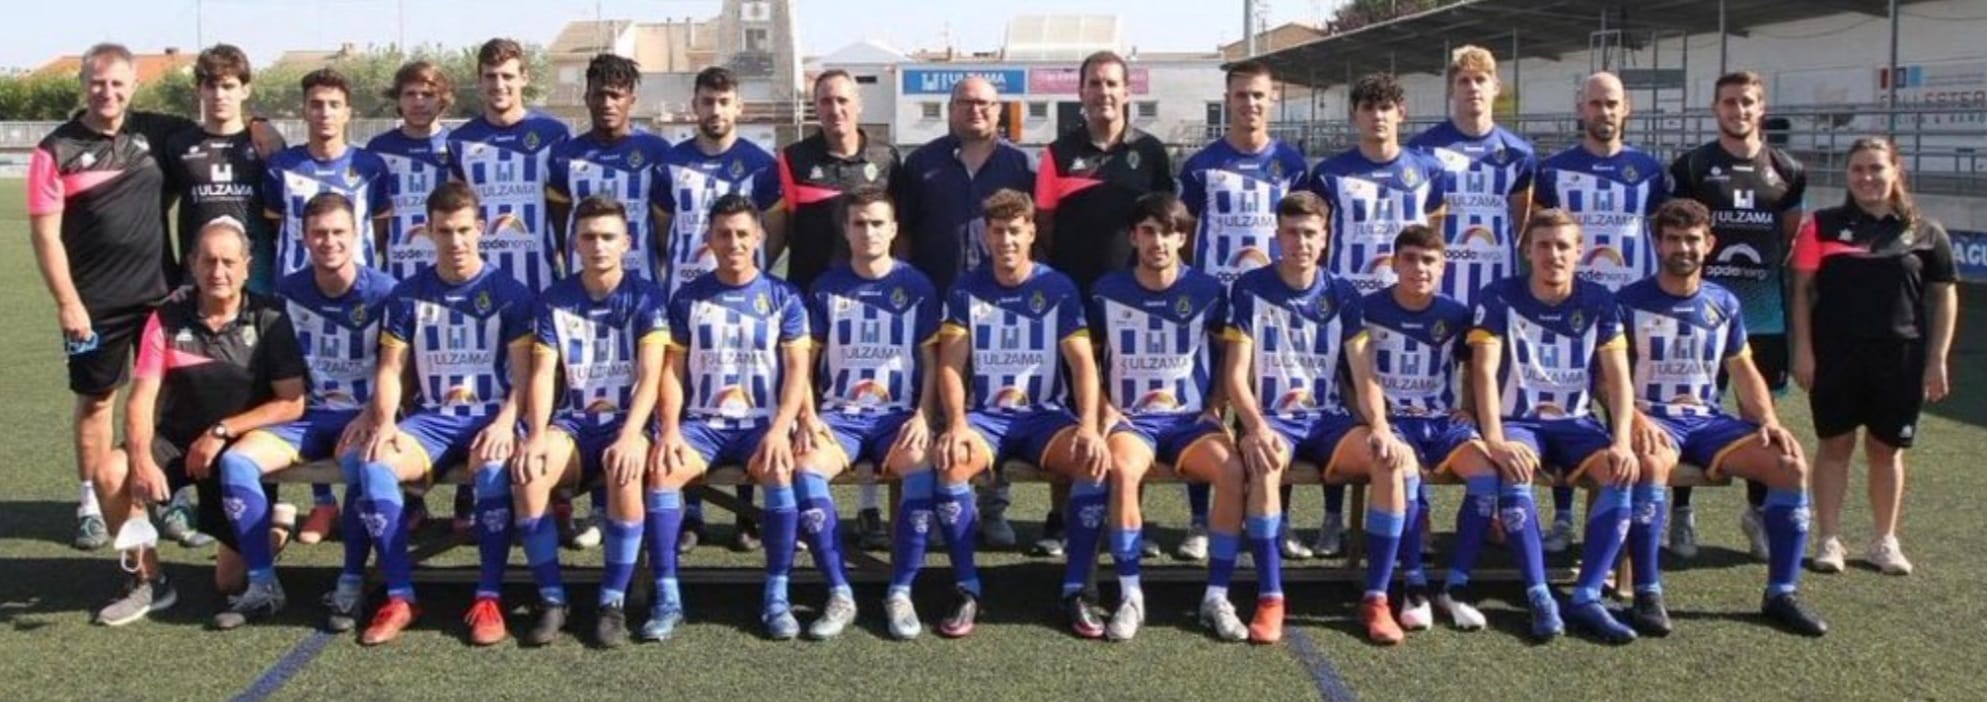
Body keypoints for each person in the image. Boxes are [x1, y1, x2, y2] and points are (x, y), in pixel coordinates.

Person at [1618, 198, 1828, 636]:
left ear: (1709, 244)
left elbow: (1742, 368)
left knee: (1789, 465)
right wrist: (1633, 417)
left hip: (1708, 422)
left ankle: (1781, 593)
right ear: (1657, 243)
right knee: (1652, 465)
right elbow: (1607, 377)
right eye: (1673, 239)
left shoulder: (1724, 303)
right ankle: (1647, 593)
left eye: (1692, 239)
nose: (1683, 248)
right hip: (1653, 418)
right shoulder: (1629, 301)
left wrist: (1769, 421)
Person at [30, 43, 211, 551]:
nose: (107, 93)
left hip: (161, 297)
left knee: (168, 400)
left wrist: (259, 122)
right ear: (83, 84)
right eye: (97, 82)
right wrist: (68, 303)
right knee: (97, 399)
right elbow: (45, 236)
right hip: (92, 305)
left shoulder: (157, 133)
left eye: (117, 84)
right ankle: (90, 500)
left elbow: (221, 120)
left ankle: (169, 496)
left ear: (133, 86)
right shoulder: (56, 149)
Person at [339, 181, 535, 646]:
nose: (456, 242)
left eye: (465, 230)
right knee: (375, 465)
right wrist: (385, 422)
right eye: (445, 231)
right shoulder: (407, 295)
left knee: (492, 470)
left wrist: (507, 423)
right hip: (431, 419)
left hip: (490, 416)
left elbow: (526, 378)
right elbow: (391, 369)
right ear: (428, 232)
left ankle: (488, 597)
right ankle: (401, 595)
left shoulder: (510, 293)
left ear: (481, 229)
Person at [88, 217, 307, 627]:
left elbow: (291, 403)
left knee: (228, 583)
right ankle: (147, 581)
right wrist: (141, 459)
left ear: (247, 265)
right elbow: (140, 400)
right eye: (208, 261)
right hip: (175, 441)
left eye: (228, 261)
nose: (218, 272)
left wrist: (221, 430)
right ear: (192, 263)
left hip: (237, 453)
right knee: (110, 471)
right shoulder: (167, 317)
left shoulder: (270, 319)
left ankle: (275, 530)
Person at [1224, 191, 1410, 645]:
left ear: (1325, 238)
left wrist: (1380, 427)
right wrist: (1256, 427)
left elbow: (1364, 376)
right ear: (1276, 235)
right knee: (1266, 463)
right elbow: (1234, 377)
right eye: (1291, 232)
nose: (1300, 242)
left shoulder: (1342, 293)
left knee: (1389, 460)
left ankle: (1377, 598)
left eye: (1310, 233)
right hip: (1274, 420)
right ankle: (1271, 598)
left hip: (1327, 420)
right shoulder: (1250, 288)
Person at [209, 193, 395, 631]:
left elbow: (403, 370)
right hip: (302, 417)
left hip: (361, 417)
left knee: (365, 466)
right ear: (304, 238)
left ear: (356, 235)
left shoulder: (386, 293)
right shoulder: (285, 293)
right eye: (319, 233)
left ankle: (350, 583)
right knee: (237, 462)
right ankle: (262, 585)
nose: (329, 241)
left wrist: (376, 413)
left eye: (338, 232)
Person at [930, 189, 1106, 639]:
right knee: (950, 462)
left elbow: (1084, 364)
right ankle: (967, 588)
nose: (1006, 240)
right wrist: (957, 424)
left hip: (1044, 416)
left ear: (1031, 231)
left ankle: (1076, 591)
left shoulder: (1057, 287)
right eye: (997, 231)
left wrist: (1088, 424)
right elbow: (950, 364)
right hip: (986, 416)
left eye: (1014, 230)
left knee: (1091, 461)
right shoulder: (967, 288)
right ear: (985, 235)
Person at [1467, 208, 1637, 643]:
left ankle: (1586, 595)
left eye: (1564, 246)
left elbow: (1617, 379)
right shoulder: (1499, 295)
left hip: (1577, 423)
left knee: (1619, 474)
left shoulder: (1599, 300)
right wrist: (1495, 439)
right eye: (1544, 245)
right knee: (1516, 469)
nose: (1553, 254)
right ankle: (1539, 592)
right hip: (1519, 421)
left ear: (1579, 252)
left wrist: (1621, 441)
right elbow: (1482, 373)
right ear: (1527, 250)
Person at [649, 194, 814, 641]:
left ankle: (776, 596)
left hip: (762, 423)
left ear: (759, 236)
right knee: (662, 473)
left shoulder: (783, 297)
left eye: (743, 233)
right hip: (704, 425)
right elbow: (672, 373)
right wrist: (668, 430)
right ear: (708, 240)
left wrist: (782, 428)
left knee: (780, 470)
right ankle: (667, 598)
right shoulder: (688, 298)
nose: (734, 242)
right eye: (724, 234)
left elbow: (798, 372)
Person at [1791, 137, 1956, 577]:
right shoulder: (1821, 225)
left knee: (1887, 450)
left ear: (1896, 171)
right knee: (1835, 444)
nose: (1867, 178)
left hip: (1900, 358)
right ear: (1847, 177)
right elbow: (1803, 293)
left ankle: (1884, 541)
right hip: (1836, 356)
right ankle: (1828, 539)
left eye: (1876, 168)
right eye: (1857, 170)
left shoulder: (1926, 231)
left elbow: (1944, 297)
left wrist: (1937, 358)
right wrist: (1803, 350)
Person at [1034, 50, 1176, 558]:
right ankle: (1059, 517)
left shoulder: (1151, 152)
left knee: (1130, 404)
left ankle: (1130, 511)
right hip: (1074, 296)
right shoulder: (1057, 153)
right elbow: (1045, 225)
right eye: (1094, 84)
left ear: (1126, 91)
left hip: (1135, 302)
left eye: (1112, 83)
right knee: (1072, 402)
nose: (1104, 92)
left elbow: (1166, 221)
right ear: (1081, 93)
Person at [1087, 193, 1247, 641]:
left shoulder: (1208, 291)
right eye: (1149, 231)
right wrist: (1105, 409)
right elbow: (1085, 363)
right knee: (1122, 469)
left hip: (1189, 421)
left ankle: (1216, 594)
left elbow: (1227, 355)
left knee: (1231, 470)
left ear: (1183, 237)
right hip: (1133, 420)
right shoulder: (1106, 290)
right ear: (1134, 236)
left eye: (1169, 232)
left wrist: (1216, 406)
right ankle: (1130, 594)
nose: (1159, 241)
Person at [510, 195, 667, 647]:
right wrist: (537, 435)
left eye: (608, 237)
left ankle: (612, 601)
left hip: (628, 422)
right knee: (530, 471)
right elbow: (542, 375)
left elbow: (651, 377)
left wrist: (632, 434)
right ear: (575, 243)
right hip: (575, 424)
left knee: (624, 467)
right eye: (589, 237)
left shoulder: (646, 297)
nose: (598, 246)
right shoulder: (555, 299)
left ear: (627, 243)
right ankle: (552, 598)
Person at [1304, 71, 1445, 558]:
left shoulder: (1427, 170)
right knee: (1343, 410)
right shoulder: (1329, 174)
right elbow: (1317, 240)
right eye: (1368, 107)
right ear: (1355, 115)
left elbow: (1434, 236)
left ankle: (1416, 510)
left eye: (1387, 107)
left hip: (1406, 309)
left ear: (1401, 113)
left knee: (1407, 406)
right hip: (1348, 310)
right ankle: (1331, 519)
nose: (1378, 116)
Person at [1668, 70, 1807, 559]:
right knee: (1689, 409)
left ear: (1761, 107)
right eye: (1729, 102)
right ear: (1716, 109)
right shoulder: (1693, 166)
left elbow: (1785, 238)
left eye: (1747, 102)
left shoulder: (1787, 169)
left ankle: (1758, 511)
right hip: (1700, 314)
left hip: (1762, 315)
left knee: (1758, 415)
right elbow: (1677, 231)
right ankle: (1680, 513)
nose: (1738, 110)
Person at [1172, 59, 1307, 561]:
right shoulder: (1201, 164)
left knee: (1275, 411)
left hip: (1273, 310)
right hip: (1215, 308)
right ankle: (1199, 520)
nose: (1250, 104)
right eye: (1242, 95)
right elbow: (1183, 236)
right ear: (1227, 100)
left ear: (1272, 101)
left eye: (1259, 96)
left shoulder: (1292, 164)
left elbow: (1304, 234)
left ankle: (1278, 517)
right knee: (1208, 410)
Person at [896, 76, 1035, 551]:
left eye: (985, 103)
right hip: (938, 301)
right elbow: (905, 235)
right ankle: (942, 505)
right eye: (966, 103)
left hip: (1002, 311)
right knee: (940, 407)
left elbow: (1033, 233)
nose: (975, 110)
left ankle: (993, 509)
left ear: (999, 111)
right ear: (951, 109)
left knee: (995, 403)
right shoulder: (922, 164)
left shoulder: (1021, 164)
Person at [1532, 71, 1668, 554]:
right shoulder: (1553, 171)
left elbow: (1658, 235)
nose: (1604, 112)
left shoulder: (1651, 171)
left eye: (1612, 103)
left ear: (1626, 107)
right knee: (1568, 407)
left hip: (1632, 311)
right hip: (1573, 307)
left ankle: (1633, 514)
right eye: (1595, 104)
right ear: (1580, 108)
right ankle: (1565, 516)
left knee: (1631, 407)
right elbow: (1543, 231)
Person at [543, 53, 672, 551]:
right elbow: (558, 230)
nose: (607, 102)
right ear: (587, 97)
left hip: (638, 297)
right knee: (581, 387)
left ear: (632, 99)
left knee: (636, 393)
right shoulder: (564, 155)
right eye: (599, 93)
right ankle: (574, 502)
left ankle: (661, 507)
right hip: (584, 295)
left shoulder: (656, 150)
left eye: (617, 94)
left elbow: (662, 227)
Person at [798, 186, 938, 640]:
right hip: (840, 417)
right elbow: (804, 361)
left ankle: (900, 591)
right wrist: (808, 414)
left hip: (898, 417)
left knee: (921, 469)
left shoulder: (916, 286)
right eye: (859, 223)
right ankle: (840, 592)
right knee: (804, 470)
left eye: (878, 222)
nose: (869, 232)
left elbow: (933, 361)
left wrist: (923, 415)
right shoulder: (826, 287)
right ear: (846, 229)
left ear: (894, 229)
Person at [261, 66, 394, 543]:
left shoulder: (371, 166)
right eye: (316, 104)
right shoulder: (281, 167)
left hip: (359, 295)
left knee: (362, 384)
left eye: (334, 104)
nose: (324, 113)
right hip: (296, 296)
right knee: (308, 391)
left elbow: (379, 227)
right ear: (304, 110)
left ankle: (365, 497)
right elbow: (277, 227)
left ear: (348, 111)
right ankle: (321, 504)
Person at [653, 65, 782, 552]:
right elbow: (663, 229)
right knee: (689, 397)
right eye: (707, 102)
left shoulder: (760, 163)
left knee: (748, 393)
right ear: (695, 105)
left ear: (739, 108)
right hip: (688, 298)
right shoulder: (670, 163)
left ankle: (748, 514)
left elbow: (774, 227)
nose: (715, 111)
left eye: (724, 102)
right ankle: (693, 512)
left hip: (746, 299)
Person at [1362, 225, 1501, 634]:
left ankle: (1456, 585)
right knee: (1402, 476)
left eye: (1429, 261)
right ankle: (1415, 583)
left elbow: (1476, 365)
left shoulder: (1455, 314)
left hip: (1441, 421)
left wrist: (1469, 409)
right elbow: (1352, 374)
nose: (1419, 268)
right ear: (1393, 263)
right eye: (1409, 259)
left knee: (1487, 476)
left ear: (1443, 267)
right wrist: (1374, 420)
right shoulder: (1369, 308)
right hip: (1394, 422)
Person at [449, 37, 572, 293]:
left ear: (524, 78)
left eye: (507, 76)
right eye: (491, 77)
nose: (499, 85)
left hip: (541, 280)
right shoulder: (459, 141)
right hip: (479, 282)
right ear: (480, 81)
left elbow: (565, 208)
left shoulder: (554, 134)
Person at [161, 44, 277, 294]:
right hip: (199, 279)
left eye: (228, 86)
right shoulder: (180, 145)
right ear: (199, 91)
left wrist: (259, 122)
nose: (219, 95)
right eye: (211, 86)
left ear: (245, 90)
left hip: (256, 278)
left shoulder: (266, 144)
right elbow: (160, 209)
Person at [776, 69, 901, 292]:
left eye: (842, 100)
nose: (835, 110)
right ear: (815, 106)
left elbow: (901, 231)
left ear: (858, 105)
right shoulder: (793, 158)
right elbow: (781, 230)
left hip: (872, 292)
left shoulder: (886, 158)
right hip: (810, 291)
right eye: (826, 101)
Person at [368, 60, 455, 283]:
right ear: (398, 99)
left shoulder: (458, 146)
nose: (418, 102)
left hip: (449, 269)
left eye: (427, 94)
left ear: (442, 100)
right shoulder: (379, 149)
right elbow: (373, 216)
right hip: (396, 271)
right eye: (410, 94)